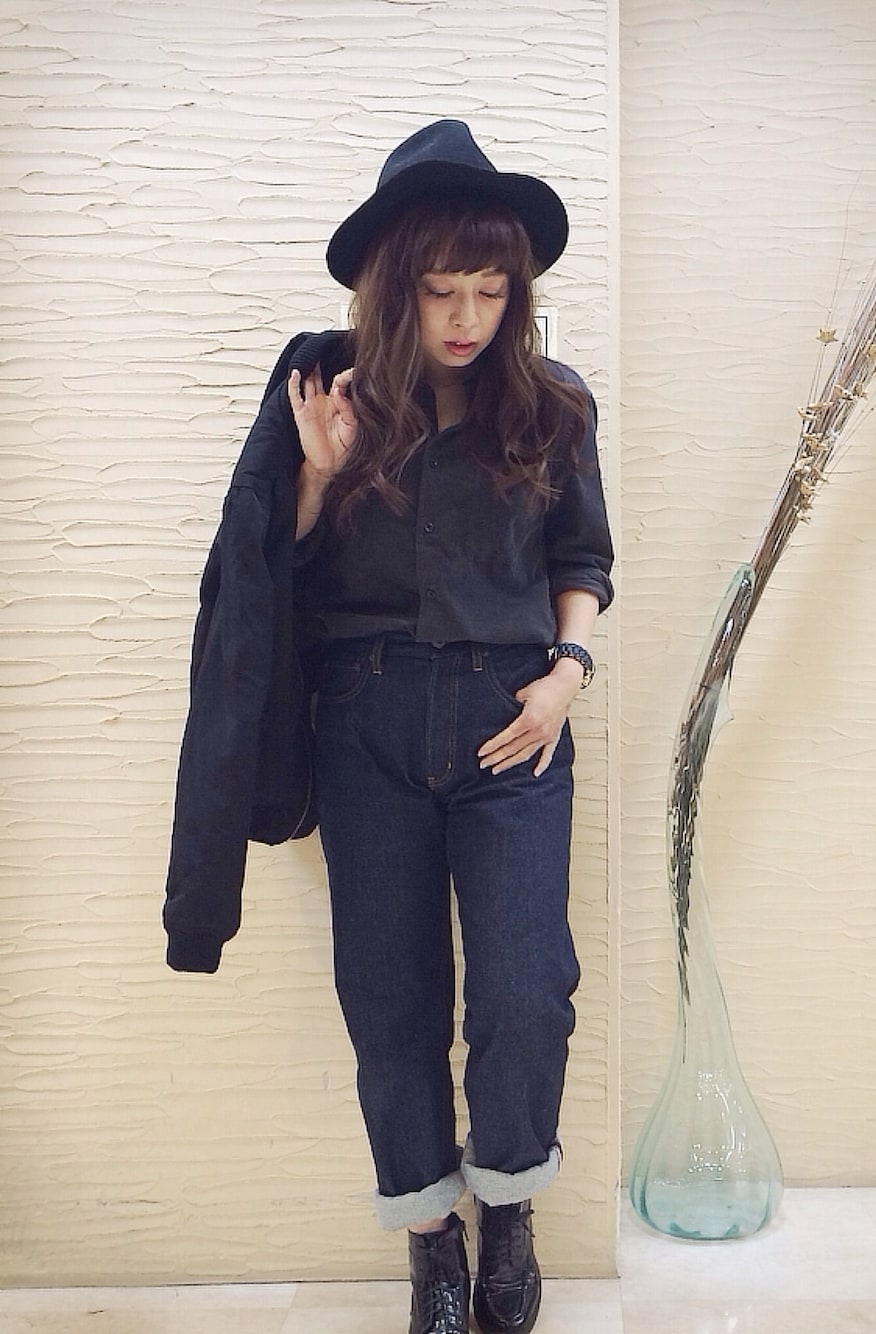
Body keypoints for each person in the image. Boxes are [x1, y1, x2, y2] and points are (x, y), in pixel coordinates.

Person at [163, 119, 613, 1334]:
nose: (466, 316)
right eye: (440, 289)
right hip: (366, 715)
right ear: (394, 285)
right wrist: (315, 476)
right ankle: (430, 1237)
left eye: (490, 288)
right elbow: (275, 587)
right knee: (388, 991)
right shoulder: (334, 393)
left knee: (525, 986)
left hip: (515, 719)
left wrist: (565, 674)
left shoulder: (553, 403)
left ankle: (508, 1203)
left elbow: (582, 559)